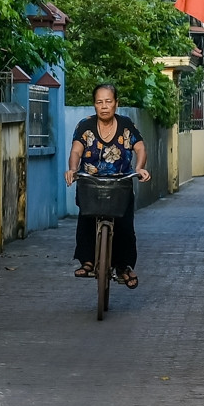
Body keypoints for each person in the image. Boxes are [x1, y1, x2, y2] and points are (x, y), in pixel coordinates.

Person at [66, 83, 150, 288]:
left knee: (124, 225)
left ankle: (124, 267)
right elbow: (76, 151)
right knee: (86, 217)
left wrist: (139, 168)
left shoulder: (126, 125)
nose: (104, 106)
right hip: (90, 182)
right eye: (99, 102)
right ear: (94, 105)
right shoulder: (84, 126)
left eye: (108, 101)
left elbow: (140, 149)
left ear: (116, 104)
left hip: (119, 183)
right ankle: (87, 261)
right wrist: (72, 169)